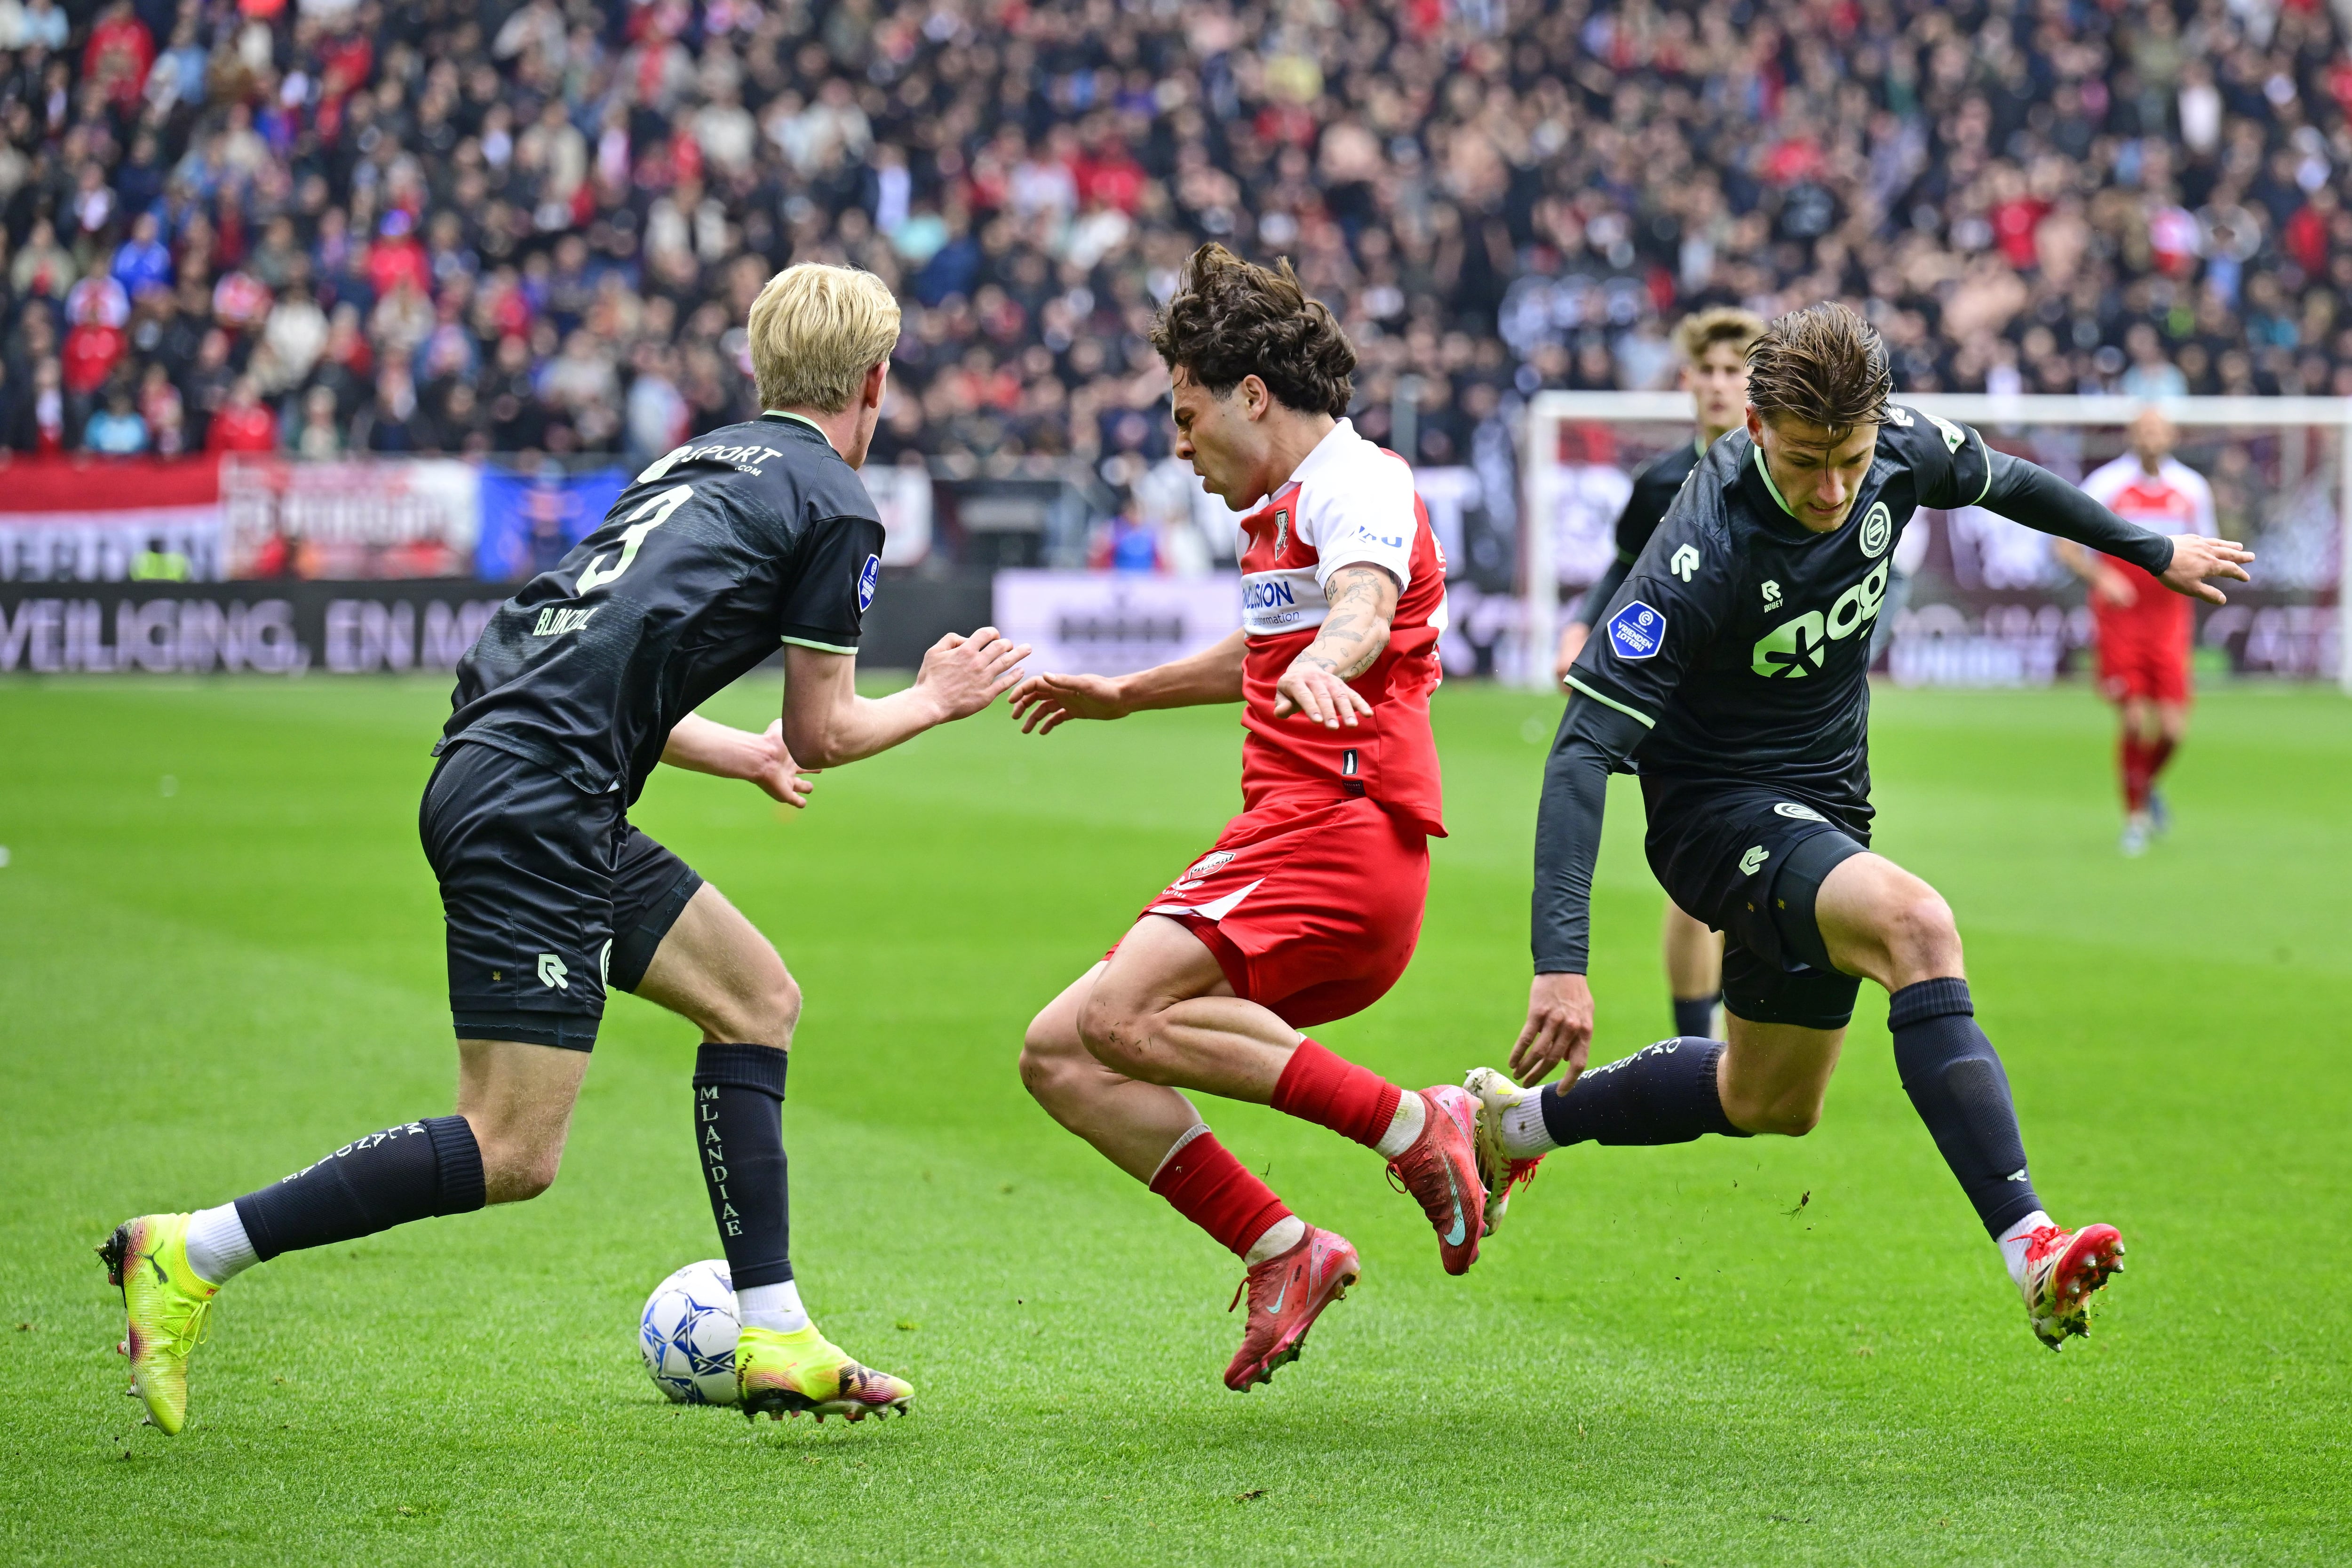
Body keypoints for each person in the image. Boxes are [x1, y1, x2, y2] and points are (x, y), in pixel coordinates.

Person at [99, 263, 1033, 1435]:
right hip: (537, 802)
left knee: (755, 1000)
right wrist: (938, 698)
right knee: (511, 1146)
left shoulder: (692, 463)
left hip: (527, 778)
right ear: (878, 381)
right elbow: (828, 729)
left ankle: (777, 1332)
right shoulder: (835, 503)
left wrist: (736, 754)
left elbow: (597, 661)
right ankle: (192, 1251)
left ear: (763, 368)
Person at [1467, 303, 2251, 1349]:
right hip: (1713, 814)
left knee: (1770, 1099)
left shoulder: (1897, 452)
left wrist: (2149, 548)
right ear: (1754, 428)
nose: (1832, 490)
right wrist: (1558, 963)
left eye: (1850, 457)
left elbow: (2008, 481)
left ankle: (1514, 1125)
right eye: (1803, 462)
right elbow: (1580, 750)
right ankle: (2032, 1247)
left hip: (1824, 806)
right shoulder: (1698, 542)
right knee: (1918, 926)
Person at [1009, 244, 1487, 1393]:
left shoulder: (1353, 482)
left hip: (1339, 825)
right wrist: (1127, 694)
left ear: (1253, 397)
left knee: (1120, 1017)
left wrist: (1332, 661)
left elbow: (1360, 604)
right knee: (1060, 1056)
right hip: (1299, 837)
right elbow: (1275, 639)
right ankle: (1284, 1248)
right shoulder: (1285, 505)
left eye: (1186, 414)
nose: (1179, 445)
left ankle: (1414, 1124)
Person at [1554, 307, 1766, 1043]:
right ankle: (1697, 1043)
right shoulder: (1660, 483)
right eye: (1706, 371)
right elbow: (1622, 569)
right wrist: (1581, 629)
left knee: (1756, 870)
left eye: (1734, 371)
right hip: (1678, 697)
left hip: (1767, 700)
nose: (1718, 384)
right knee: (1697, 876)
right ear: (1686, 381)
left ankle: (1733, 1025)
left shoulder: (1787, 472)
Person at [2058, 410, 2217, 855]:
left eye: (2158, 429)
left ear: (2172, 435)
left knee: (2172, 729)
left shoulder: (2191, 489)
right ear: (2133, 435)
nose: (2150, 437)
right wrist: (2103, 578)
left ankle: (2143, 784)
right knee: (2132, 717)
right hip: (2121, 618)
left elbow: (2208, 546)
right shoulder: (2107, 484)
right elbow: (2065, 543)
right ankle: (2135, 819)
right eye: (2143, 429)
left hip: (2169, 620)